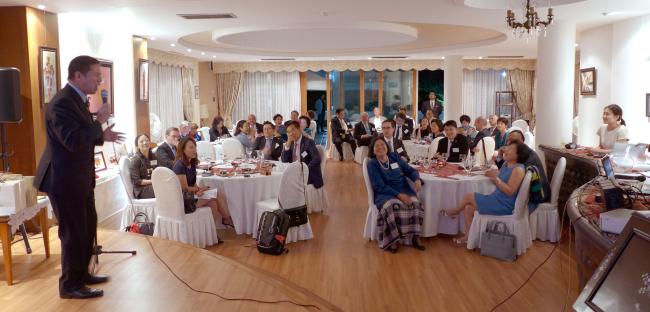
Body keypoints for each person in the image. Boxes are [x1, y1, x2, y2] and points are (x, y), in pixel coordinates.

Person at [34, 55, 125, 299]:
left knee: (87, 227)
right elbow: (72, 141)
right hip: (63, 180)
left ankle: (82, 275)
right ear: (79, 76)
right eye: (96, 75)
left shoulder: (77, 100)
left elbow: (80, 133)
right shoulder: (62, 102)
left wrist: (100, 136)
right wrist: (99, 123)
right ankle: (70, 286)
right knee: (73, 234)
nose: (100, 80)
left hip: (79, 178)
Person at [441, 141, 529, 243]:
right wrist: (491, 174)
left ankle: (455, 211)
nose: (506, 150)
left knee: (469, 195)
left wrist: (495, 178)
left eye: (510, 149)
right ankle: (467, 236)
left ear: (518, 155)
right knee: (468, 208)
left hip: (504, 205)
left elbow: (510, 191)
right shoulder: (506, 164)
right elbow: (500, 180)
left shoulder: (518, 169)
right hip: (496, 199)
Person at [366, 137, 425, 253]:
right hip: (385, 193)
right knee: (392, 207)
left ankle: (416, 236)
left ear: (387, 147)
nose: (380, 148)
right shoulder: (373, 164)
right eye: (376, 146)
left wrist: (417, 179)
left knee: (416, 205)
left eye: (382, 144)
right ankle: (393, 240)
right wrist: (399, 195)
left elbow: (410, 170)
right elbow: (379, 186)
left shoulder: (394, 157)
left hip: (403, 189)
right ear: (373, 150)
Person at [172, 137, 234, 228]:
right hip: (183, 201)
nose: (194, 150)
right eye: (191, 147)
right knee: (215, 194)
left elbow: (192, 183)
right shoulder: (179, 165)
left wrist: (197, 191)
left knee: (213, 204)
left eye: (195, 147)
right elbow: (184, 188)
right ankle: (227, 219)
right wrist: (200, 189)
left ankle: (211, 235)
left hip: (191, 196)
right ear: (183, 150)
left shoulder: (191, 164)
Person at [495, 130, 551, 208]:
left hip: (538, 194)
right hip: (526, 192)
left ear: (521, 141)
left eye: (511, 140)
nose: (508, 143)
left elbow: (515, 174)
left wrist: (495, 178)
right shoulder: (517, 153)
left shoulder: (527, 154)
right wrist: (500, 153)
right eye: (507, 141)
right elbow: (503, 170)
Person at [281, 121, 324, 189]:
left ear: (299, 129)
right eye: (288, 132)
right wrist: (287, 145)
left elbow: (316, 159)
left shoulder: (308, 142)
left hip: (307, 174)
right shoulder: (291, 143)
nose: (291, 133)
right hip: (293, 172)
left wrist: (303, 169)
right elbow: (284, 160)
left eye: (292, 130)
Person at [129, 133, 158, 199]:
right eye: (141, 141)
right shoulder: (135, 160)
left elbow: (158, 171)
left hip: (154, 184)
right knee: (163, 189)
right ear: (137, 146)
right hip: (142, 190)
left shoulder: (154, 157)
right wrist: (154, 181)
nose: (145, 143)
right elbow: (137, 181)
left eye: (146, 140)